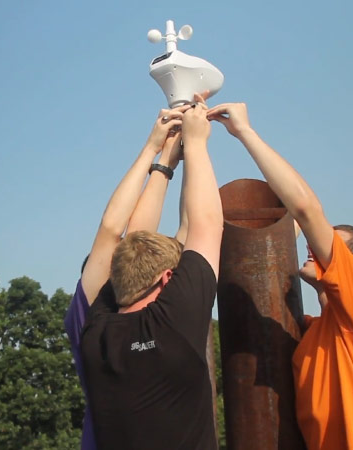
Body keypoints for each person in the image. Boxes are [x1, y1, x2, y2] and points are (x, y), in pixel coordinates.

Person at [207, 101, 353, 449]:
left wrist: (244, 133)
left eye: (331, 246)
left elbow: (307, 210)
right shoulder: (319, 330)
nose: (315, 247)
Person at [80, 94, 223, 450]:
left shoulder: (96, 336)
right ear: (167, 279)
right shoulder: (170, 325)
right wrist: (196, 143)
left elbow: (129, 236)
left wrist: (166, 160)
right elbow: (204, 224)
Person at [63, 103, 189, 449]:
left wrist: (168, 155)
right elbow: (117, 231)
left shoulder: (111, 317)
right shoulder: (94, 319)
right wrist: (169, 153)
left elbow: (124, 234)